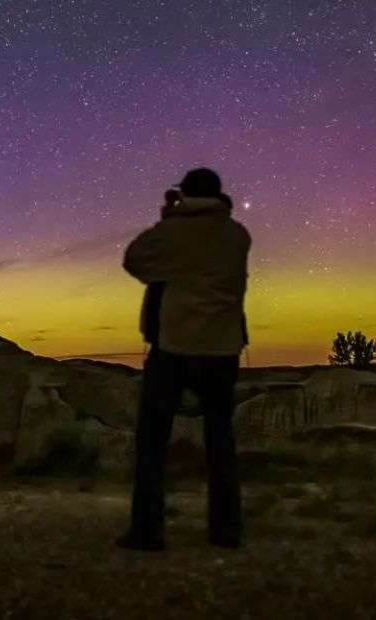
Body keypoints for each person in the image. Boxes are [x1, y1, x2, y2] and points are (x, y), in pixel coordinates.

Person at [116, 168, 251, 551]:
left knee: (152, 441)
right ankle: (226, 529)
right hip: (223, 348)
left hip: (174, 348)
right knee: (220, 439)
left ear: (185, 195)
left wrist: (169, 215)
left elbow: (135, 260)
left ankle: (147, 530)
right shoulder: (238, 235)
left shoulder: (173, 232)